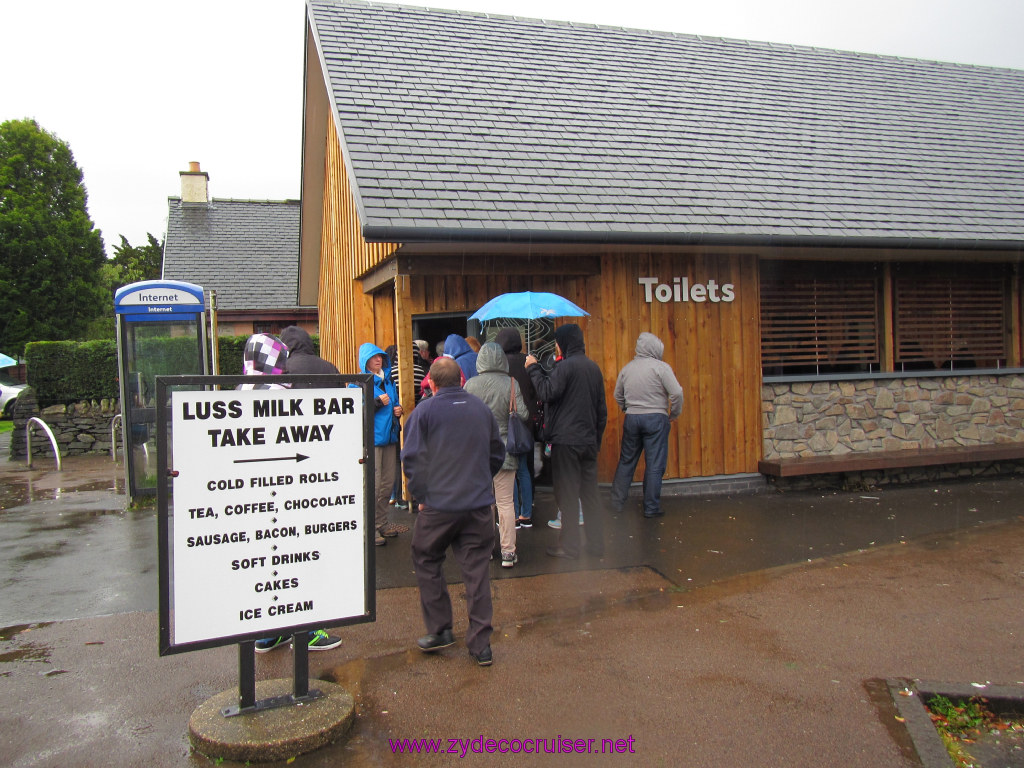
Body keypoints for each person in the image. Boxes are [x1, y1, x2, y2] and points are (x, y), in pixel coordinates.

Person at [239, 333, 342, 653]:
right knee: (299, 559)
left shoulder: (239, 390)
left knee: (267, 565)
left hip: (253, 498)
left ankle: (270, 632)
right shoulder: (279, 391)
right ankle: (308, 630)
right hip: (289, 494)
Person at [402, 357, 505, 666]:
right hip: (477, 505)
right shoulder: (480, 409)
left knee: (426, 556)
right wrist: (480, 480)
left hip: (439, 506)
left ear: (431, 384)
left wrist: (421, 495)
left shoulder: (423, 413)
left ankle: (440, 629)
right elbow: (497, 452)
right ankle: (481, 644)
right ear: (462, 379)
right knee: (477, 571)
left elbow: (412, 460)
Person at [526, 323, 607, 560]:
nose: (556, 346)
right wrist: (596, 441)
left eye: (557, 342)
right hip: (588, 442)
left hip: (566, 442)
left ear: (564, 342)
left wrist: (533, 369)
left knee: (567, 495)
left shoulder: (565, 367)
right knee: (590, 495)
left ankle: (570, 547)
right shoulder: (593, 368)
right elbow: (601, 412)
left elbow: (546, 392)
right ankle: (596, 546)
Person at [465, 342, 529, 567]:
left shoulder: (471, 385)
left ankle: (486, 550)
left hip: (479, 453)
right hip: (505, 451)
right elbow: (523, 413)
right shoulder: (512, 383)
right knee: (506, 503)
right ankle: (509, 553)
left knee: (484, 504)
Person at [610, 332, 684, 518]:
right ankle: (651, 508)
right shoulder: (662, 368)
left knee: (627, 461)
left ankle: (616, 504)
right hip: (656, 419)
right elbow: (677, 393)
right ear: (655, 348)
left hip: (633, 419)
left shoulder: (627, 369)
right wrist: (673, 414)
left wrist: (626, 409)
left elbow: (617, 394)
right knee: (654, 464)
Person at [358, 342, 409, 546]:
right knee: (373, 485)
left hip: (389, 438)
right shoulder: (358, 383)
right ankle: (368, 529)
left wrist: (398, 410)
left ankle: (380, 522)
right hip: (372, 441)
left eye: (380, 357)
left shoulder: (389, 382)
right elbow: (357, 411)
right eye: (374, 357)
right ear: (365, 361)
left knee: (388, 483)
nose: (378, 360)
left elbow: (394, 405)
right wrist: (377, 403)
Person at [495, 328, 539, 528]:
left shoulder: (500, 364)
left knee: (508, 471)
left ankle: (511, 514)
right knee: (523, 470)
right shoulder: (528, 361)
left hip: (505, 425)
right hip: (525, 423)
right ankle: (526, 514)